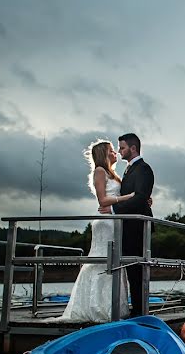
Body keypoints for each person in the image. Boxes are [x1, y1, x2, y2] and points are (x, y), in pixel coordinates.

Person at [59, 139, 133, 322]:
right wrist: (130, 197)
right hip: (105, 221)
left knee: (114, 259)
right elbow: (103, 200)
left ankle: (112, 306)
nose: (115, 152)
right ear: (104, 154)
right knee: (102, 259)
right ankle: (96, 307)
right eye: (111, 151)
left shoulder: (112, 174)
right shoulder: (99, 172)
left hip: (115, 220)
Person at [108, 132, 154, 317]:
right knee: (130, 268)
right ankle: (136, 308)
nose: (119, 151)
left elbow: (141, 197)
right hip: (127, 226)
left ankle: (140, 311)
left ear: (133, 148)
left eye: (122, 148)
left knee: (136, 269)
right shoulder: (128, 169)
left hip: (137, 227)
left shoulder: (143, 169)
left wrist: (114, 210)